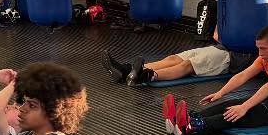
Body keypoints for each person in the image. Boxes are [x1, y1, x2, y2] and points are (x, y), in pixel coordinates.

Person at [162, 25, 268, 135]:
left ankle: (193, 127)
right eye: (258, 48)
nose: (260, 53)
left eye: (263, 48)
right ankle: (188, 118)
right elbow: (243, 75)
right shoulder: (265, 57)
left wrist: (244, 107)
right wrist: (220, 93)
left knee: (243, 113)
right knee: (230, 104)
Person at [102, 28, 250, 87]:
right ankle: (125, 71)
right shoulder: (235, 9)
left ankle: (147, 76)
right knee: (173, 59)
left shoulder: (262, 16)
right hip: (218, 47)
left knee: (187, 66)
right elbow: (216, 35)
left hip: (230, 57)